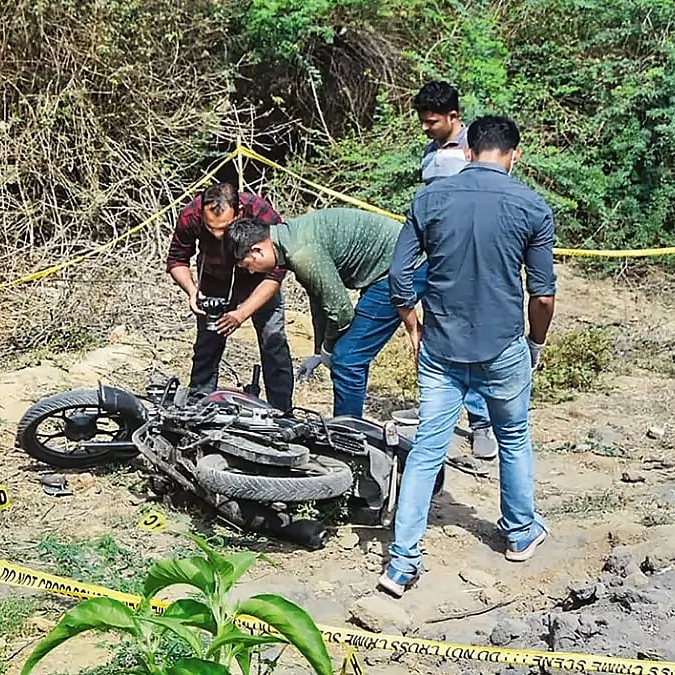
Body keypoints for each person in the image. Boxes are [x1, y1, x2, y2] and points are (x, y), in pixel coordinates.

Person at [378, 115, 556, 597]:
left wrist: (414, 325)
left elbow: (398, 277)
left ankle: (401, 563)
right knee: (514, 438)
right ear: (513, 155)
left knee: (427, 451)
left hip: (440, 345)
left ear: (470, 151)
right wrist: (534, 344)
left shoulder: (430, 198)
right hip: (502, 343)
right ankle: (520, 533)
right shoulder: (532, 206)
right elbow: (541, 295)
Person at [225, 207, 427, 418]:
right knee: (346, 355)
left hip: (402, 268)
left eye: (247, 265)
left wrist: (329, 350)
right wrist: (318, 350)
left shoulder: (302, 254)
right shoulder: (288, 238)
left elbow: (341, 313)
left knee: (347, 359)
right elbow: (321, 299)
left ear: (257, 250)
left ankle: (348, 437)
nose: (251, 271)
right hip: (388, 265)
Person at [412, 80, 496, 460]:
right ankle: (436, 410)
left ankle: (482, 423)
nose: (426, 127)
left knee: (470, 341)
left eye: (432, 121)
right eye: (423, 121)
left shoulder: (473, 152)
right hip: (437, 258)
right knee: (438, 335)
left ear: (453, 117)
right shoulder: (432, 151)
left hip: (470, 259)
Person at [166, 182, 294, 410]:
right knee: (207, 343)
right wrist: (192, 291)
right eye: (210, 228)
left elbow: (276, 273)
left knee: (273, 341)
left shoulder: (261, 212)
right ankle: (198, 404)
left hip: (259, 282)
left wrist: (241, 313)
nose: (217, 236)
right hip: (214, 282)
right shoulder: (190, 215)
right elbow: (177, 259)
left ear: (240, 213)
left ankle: (282, 412)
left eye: (224, 229)